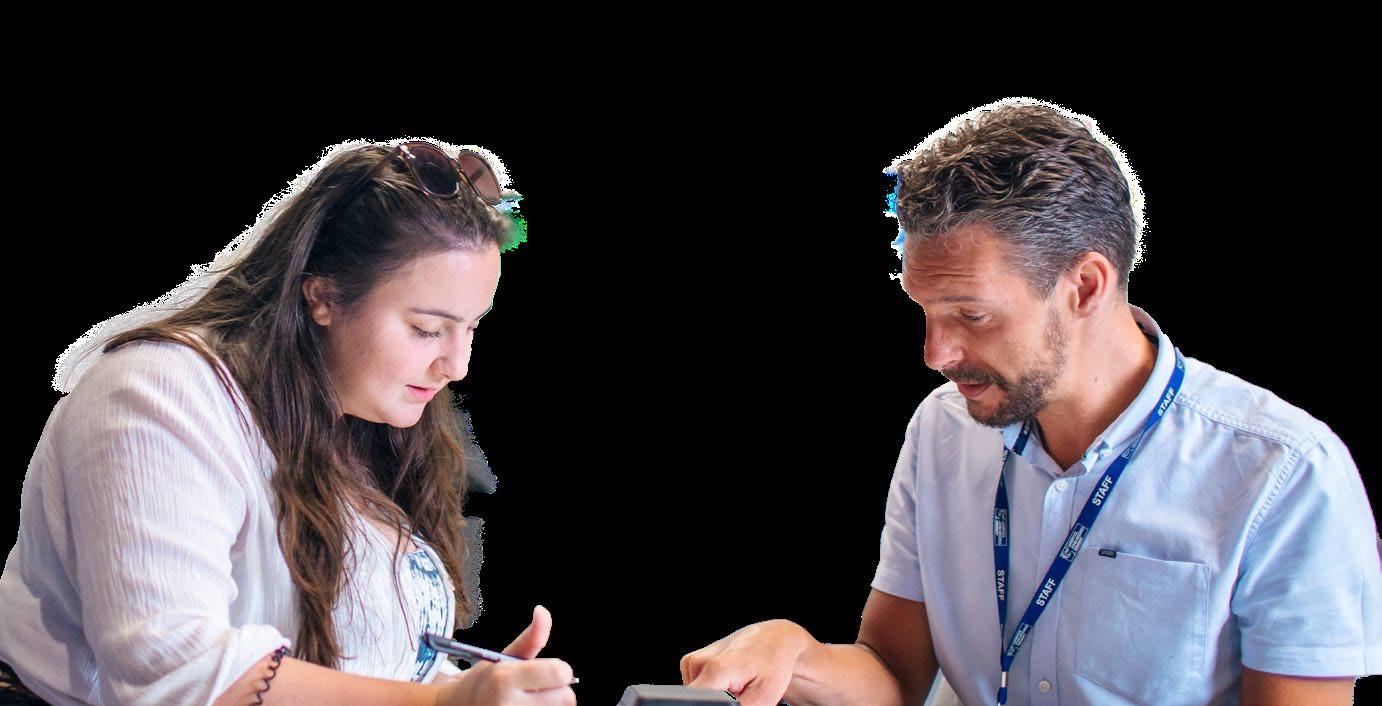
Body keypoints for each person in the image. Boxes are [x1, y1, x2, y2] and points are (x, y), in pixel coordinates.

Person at [678, 99, 1382, 705]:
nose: (935, 353)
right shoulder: (943, 430)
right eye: (924, 311)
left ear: (1085, 287)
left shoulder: (1287, 476)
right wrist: (794, 651)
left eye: (971, 315)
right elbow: (895, 675)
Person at [0, 139, 576, 705]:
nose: (457, 365)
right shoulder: (158, 393)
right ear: (322, 297)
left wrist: (464, 688)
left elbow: (350, 667)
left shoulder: (359, 413)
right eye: (427, 329)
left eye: (471, 327)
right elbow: (173, 674)